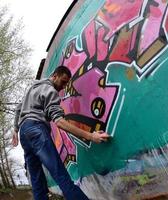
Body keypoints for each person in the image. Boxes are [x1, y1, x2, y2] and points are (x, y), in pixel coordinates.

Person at [12, 65, 110, 200]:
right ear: (54, 76)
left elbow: (18, 108)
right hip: (37, 129)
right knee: (60, 174)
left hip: (24, 133)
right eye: (63, 82)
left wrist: (15, 129)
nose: (63, 87)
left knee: (36, 180)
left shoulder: (32, 88)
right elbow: (59, 121)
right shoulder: (50, 90)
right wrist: (91, 136)